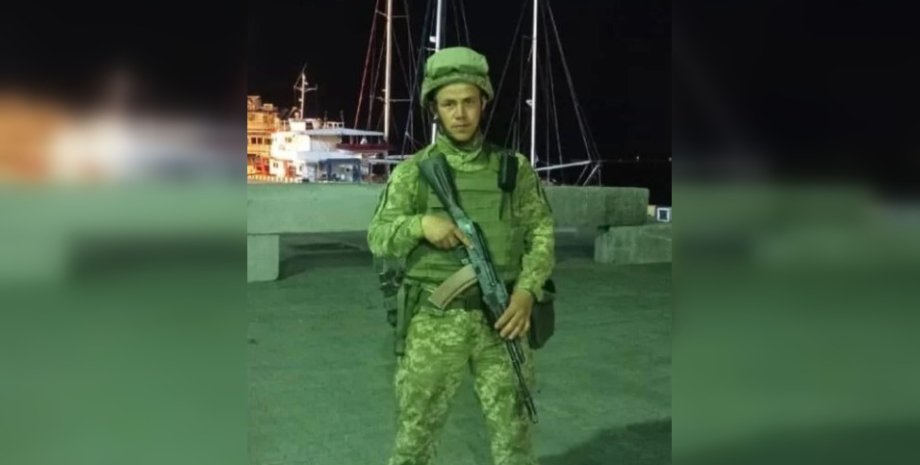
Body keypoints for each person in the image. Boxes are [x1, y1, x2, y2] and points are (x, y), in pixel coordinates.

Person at [367, 46, 555, 465]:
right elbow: (378, 236)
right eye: (448, 104)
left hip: (504, 318)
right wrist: (421, 225)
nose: (460, 114)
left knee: (514, 436)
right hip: (434, 322)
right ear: (434, 109)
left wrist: (527, 292)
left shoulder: (513, 169)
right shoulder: (415, 172)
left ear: (483, 102)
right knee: (415, 437)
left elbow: (541, 233)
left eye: (469, 101)